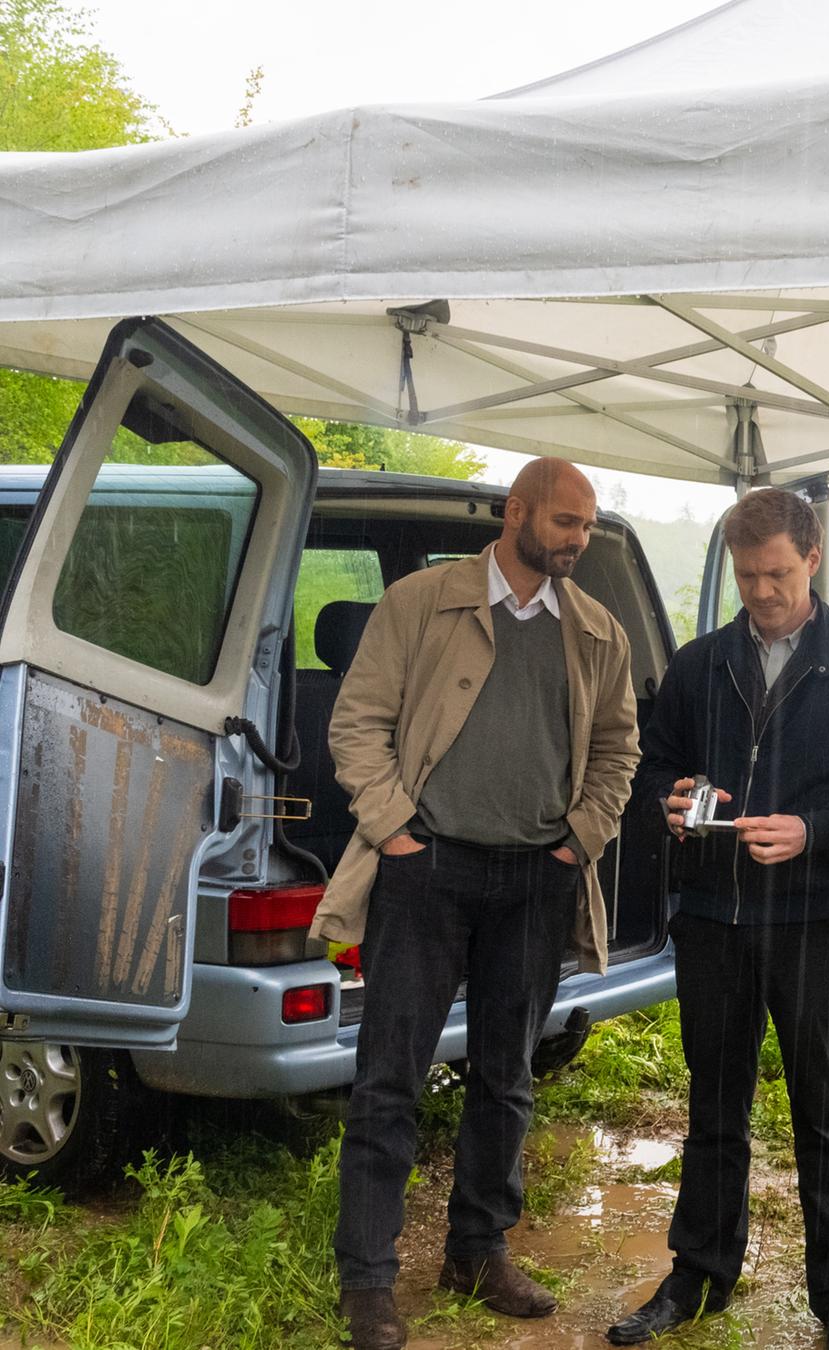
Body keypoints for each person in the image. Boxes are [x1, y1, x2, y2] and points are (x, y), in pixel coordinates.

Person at [314, 458, 641, 1350]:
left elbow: (619, 749)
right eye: (567, 522)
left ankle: (477, 1249)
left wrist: (578, 841)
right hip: (427, 873)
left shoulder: (596, 630)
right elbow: (358, 726)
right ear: (517, 512)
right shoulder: (424, 604)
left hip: (535, 880)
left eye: (588, 525)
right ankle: (369, 1279)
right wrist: (399, 835)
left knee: (507, 1076)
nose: (580, 539)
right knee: (390, 1077)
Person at [610, 488, 829, 1350]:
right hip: (713, 918)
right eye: (747, 576)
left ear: (813, 559)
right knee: (713, 1107)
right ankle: (699, 1276)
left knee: (827, 1111)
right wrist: (670, 800)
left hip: (816, 922)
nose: (762, 592)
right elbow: (654, 764)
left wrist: (812, 832)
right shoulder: (700, 664)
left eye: (777, 573)